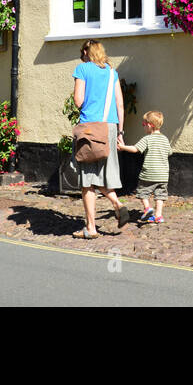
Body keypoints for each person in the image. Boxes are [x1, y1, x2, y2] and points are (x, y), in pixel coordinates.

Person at [70, 39, 127, 239]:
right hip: (110, 127)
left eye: (82, 51)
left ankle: (91, 228)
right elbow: (120, 105)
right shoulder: (113, 73)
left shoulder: (82, 69)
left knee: (87, 180)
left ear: (87, 52)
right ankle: (117, 204)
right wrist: (120, 133)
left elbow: (78, 101)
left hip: (90, 128)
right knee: (102, 173)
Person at [118, 110, 171, 224]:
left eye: (143, 124)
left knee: (142, 192)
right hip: (163, 175)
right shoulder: (165, 139)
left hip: (149, 174)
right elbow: (169, 152)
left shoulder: (147, 138)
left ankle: (147, 208)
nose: (143, 127)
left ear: (149, 125)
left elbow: (135, 149)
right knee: (160, 195)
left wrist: (122, 147)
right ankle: (158, 216)